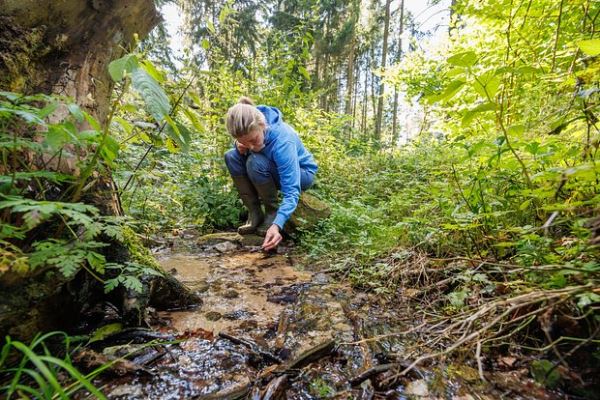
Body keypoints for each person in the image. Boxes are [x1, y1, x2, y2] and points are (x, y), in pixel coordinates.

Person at [224, 97, 318, 251]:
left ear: (262, 125)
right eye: (244, 142)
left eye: (253, 140)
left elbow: (291, 191)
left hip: (302, 174)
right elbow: (246, 142)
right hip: (270, 166)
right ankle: (255, 213)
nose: (250, 146)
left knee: (255, 162)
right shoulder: (250, 129)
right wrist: (237, 145)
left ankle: (271, 213)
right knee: (231, 156)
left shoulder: (282, 140)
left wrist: (277, 224)